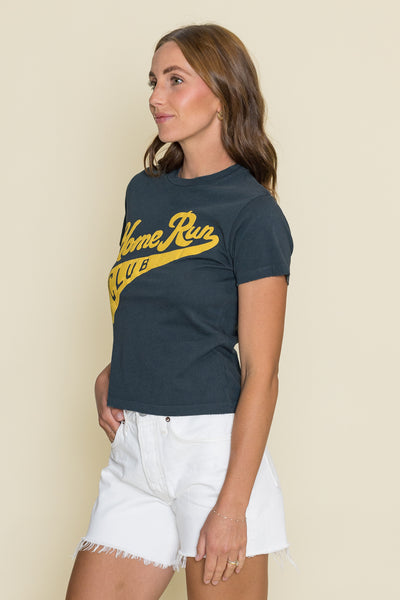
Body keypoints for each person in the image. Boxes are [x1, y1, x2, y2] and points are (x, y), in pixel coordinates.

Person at [66, 23, 295, 600]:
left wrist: (233, 506)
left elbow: (262, 372)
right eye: (153, 81)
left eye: (175, 80)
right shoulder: (144, 193)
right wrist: (117, 370)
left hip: (214, 455)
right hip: (135, 452)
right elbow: (152, 303)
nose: (155, 97)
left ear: (222, 93)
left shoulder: (253, 212)